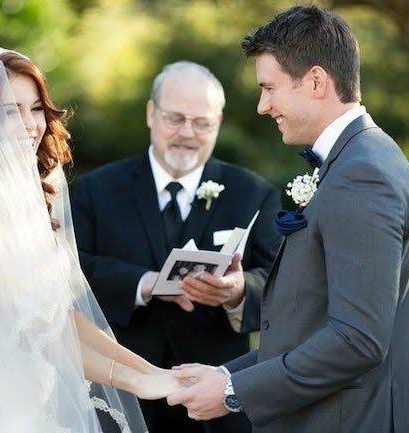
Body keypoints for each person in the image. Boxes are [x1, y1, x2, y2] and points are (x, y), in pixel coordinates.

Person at [167, 6, 409, 433]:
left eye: (269, 88)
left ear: (315, 81)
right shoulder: (358, 159)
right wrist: (227, 376)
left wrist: (234, 393)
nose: (261, 106)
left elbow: (356, 340)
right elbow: (312, 320)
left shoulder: (363, 174)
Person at [0, 40, 183, 433]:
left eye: (35, 108)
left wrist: (151, 370)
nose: (32, 124)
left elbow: (60, 316)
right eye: (9, 112)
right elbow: (29, 329)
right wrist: (135, 382)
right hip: (1, 412)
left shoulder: (29, 199)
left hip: (48, 401)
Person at [71, 61, 282, 433]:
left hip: (215, 398)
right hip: (120, 389)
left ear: (219, 122)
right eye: (175, 119)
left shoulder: (254, 194)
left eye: (202, 123)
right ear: (151, 114)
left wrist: (236, 291)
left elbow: (282, 282)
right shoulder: (96, 189)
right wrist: (142, 283)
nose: (188, 133)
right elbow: (71, 270)